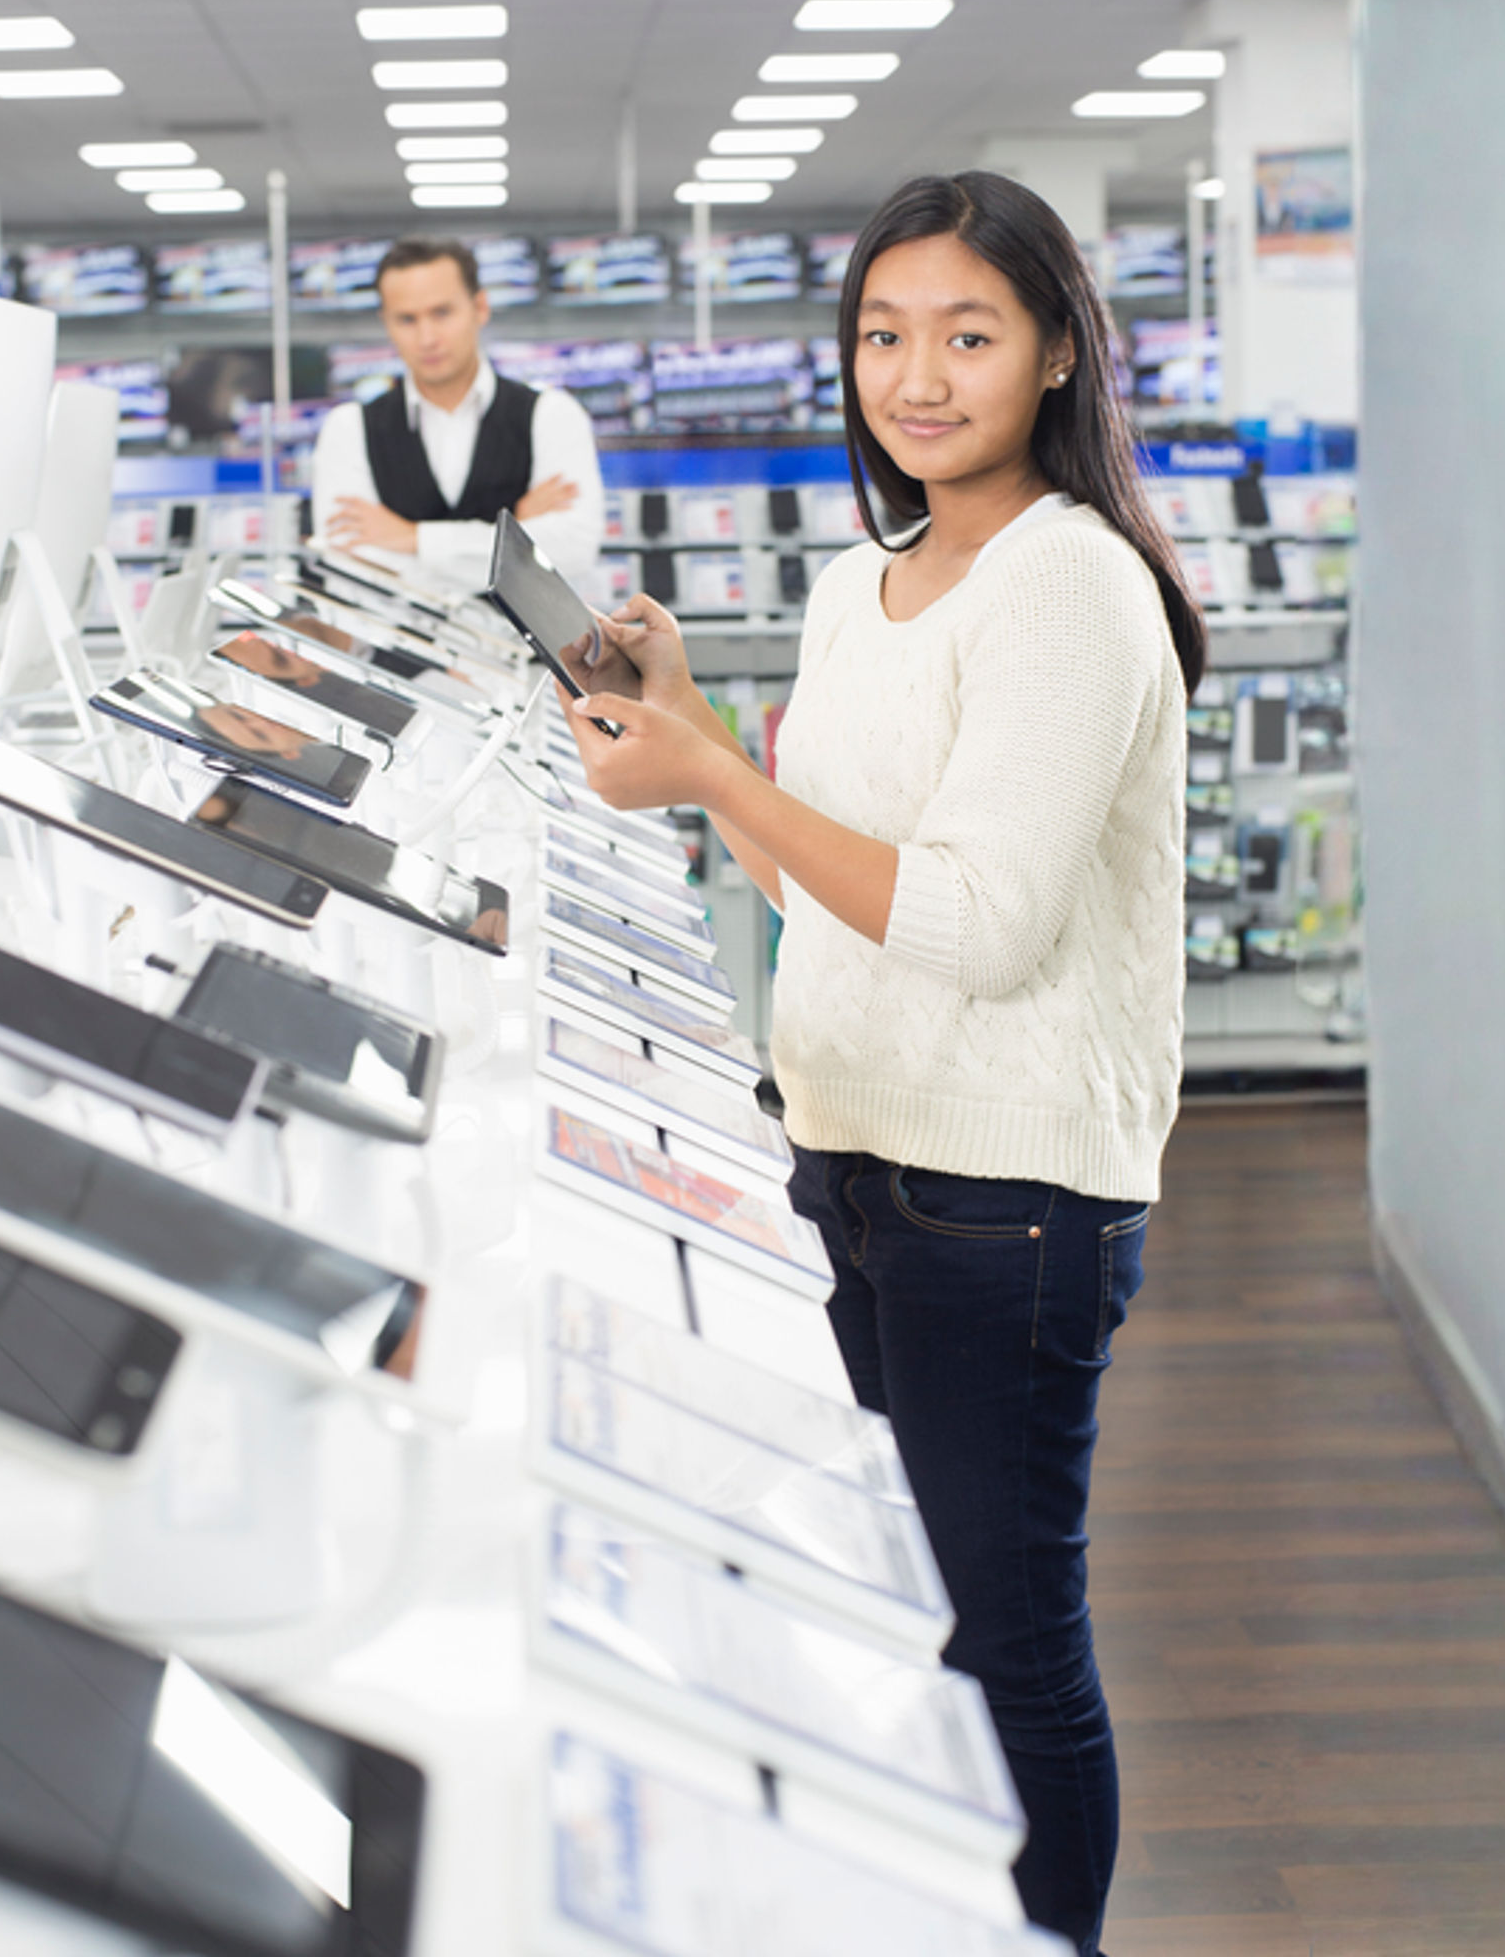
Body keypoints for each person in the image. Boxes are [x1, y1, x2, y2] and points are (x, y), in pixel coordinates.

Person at [551, 170, 1204, 1957]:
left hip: (1003, 1202)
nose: (918, 377)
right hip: (848, 1164)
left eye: (970, 335)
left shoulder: (1070, 587)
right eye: (882, 336)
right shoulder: (868, 581)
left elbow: (980, 923)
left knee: (1002, 1646)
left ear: (1060, 352)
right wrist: (695, 741)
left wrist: (711, 777)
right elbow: (830, 892)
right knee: (904, 1636)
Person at [308, 237, 605, 586]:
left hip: (520, 643)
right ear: (386, 323)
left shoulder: (552, 416)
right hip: (393, 643)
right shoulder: (349, 429)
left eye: (441, 313)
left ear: (479, 307)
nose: (427, 337)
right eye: (406, 319)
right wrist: (511, 537)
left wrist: (412, 539)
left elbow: (573, 553)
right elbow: (350, 569)